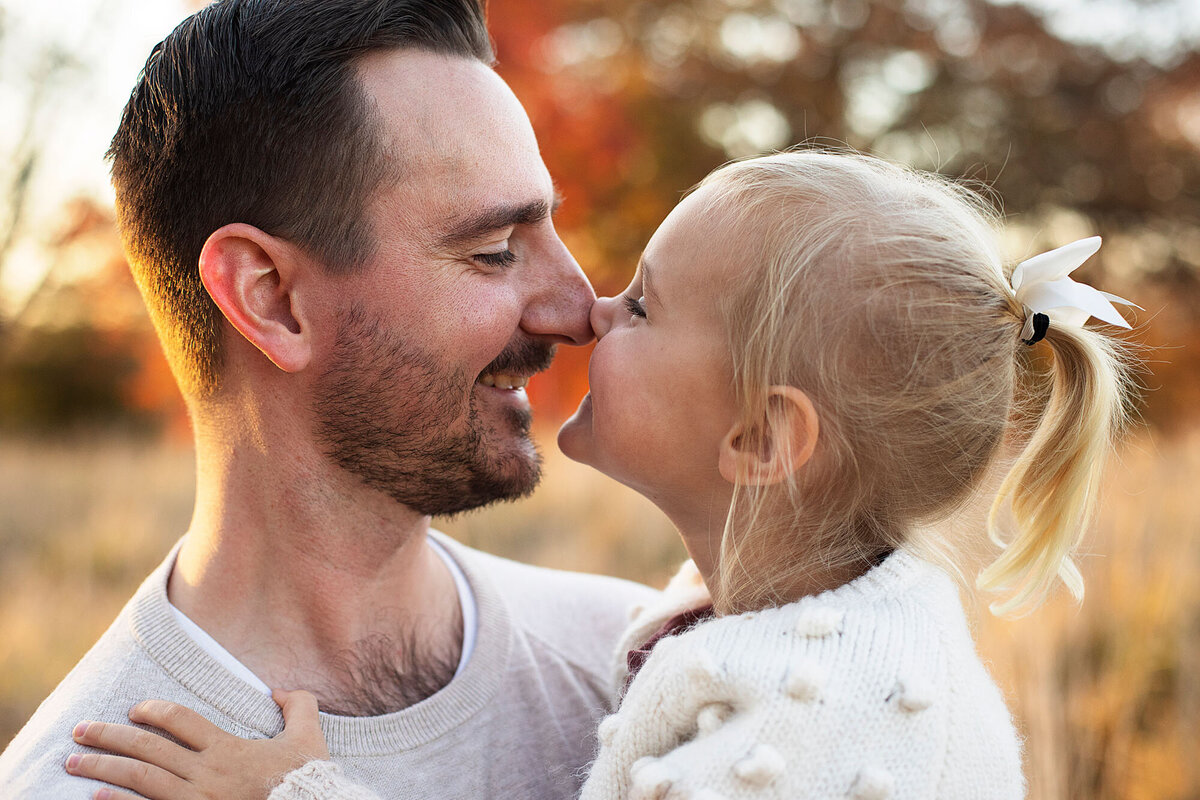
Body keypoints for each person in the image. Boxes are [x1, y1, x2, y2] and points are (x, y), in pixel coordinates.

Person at [63, 149, 1138, 800]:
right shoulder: (796, 616)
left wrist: (295, 789)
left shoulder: (804, 717)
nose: (589, 309)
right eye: (491, 250)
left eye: (644, 306)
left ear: (762, 442)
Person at [0, 0, 657, 797]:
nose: (578, 309)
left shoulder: (646, 672)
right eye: (494, 252)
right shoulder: (80, 788)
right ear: (270, 298)